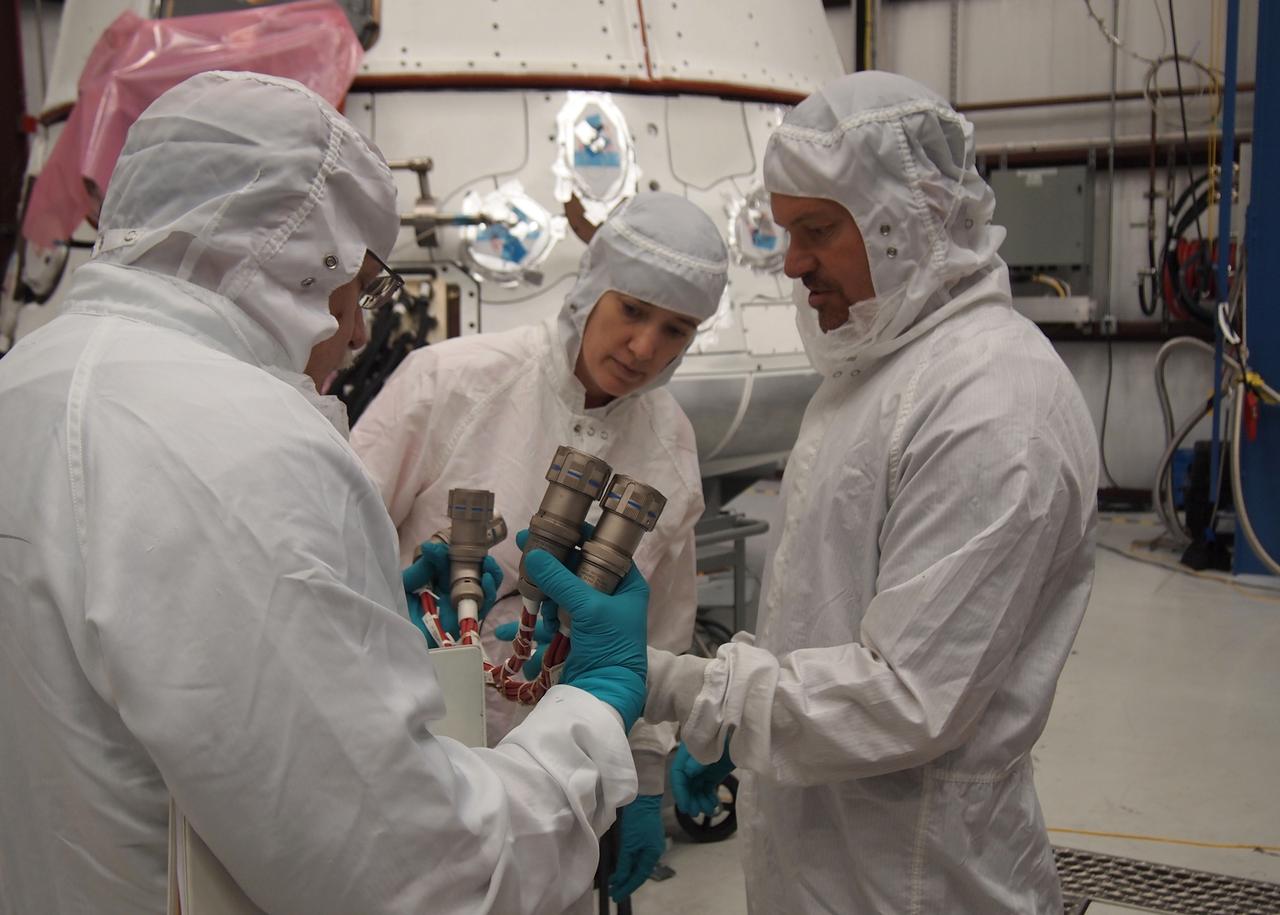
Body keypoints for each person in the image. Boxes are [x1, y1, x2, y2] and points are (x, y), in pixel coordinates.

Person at [0, 70, 652, 915]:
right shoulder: (255, 441)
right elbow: (420, 874)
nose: (355, 326)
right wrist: (591, 716)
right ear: (304, 260)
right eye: (365, 283)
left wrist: (357, 618)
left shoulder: (24, 382)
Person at [643, 71, 1100, 913]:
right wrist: (740, 707)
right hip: (830, 855)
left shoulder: (993, 403)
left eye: (816, 229)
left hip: (919, 878)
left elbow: (906, 697)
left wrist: (686, 689)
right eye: (785, 231)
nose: (791, 263)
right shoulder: (875, 369)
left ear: (909, 219)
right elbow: (827, 605)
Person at [350, 190, 729, 902]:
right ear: (590, 291)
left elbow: (659, 633)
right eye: (633, 310)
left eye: (676, 329)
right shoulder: (451, 383)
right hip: (416, 756)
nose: (645, 348)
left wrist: (645, 778)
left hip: (566, 777)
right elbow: (338, 538)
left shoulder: (670, 445)